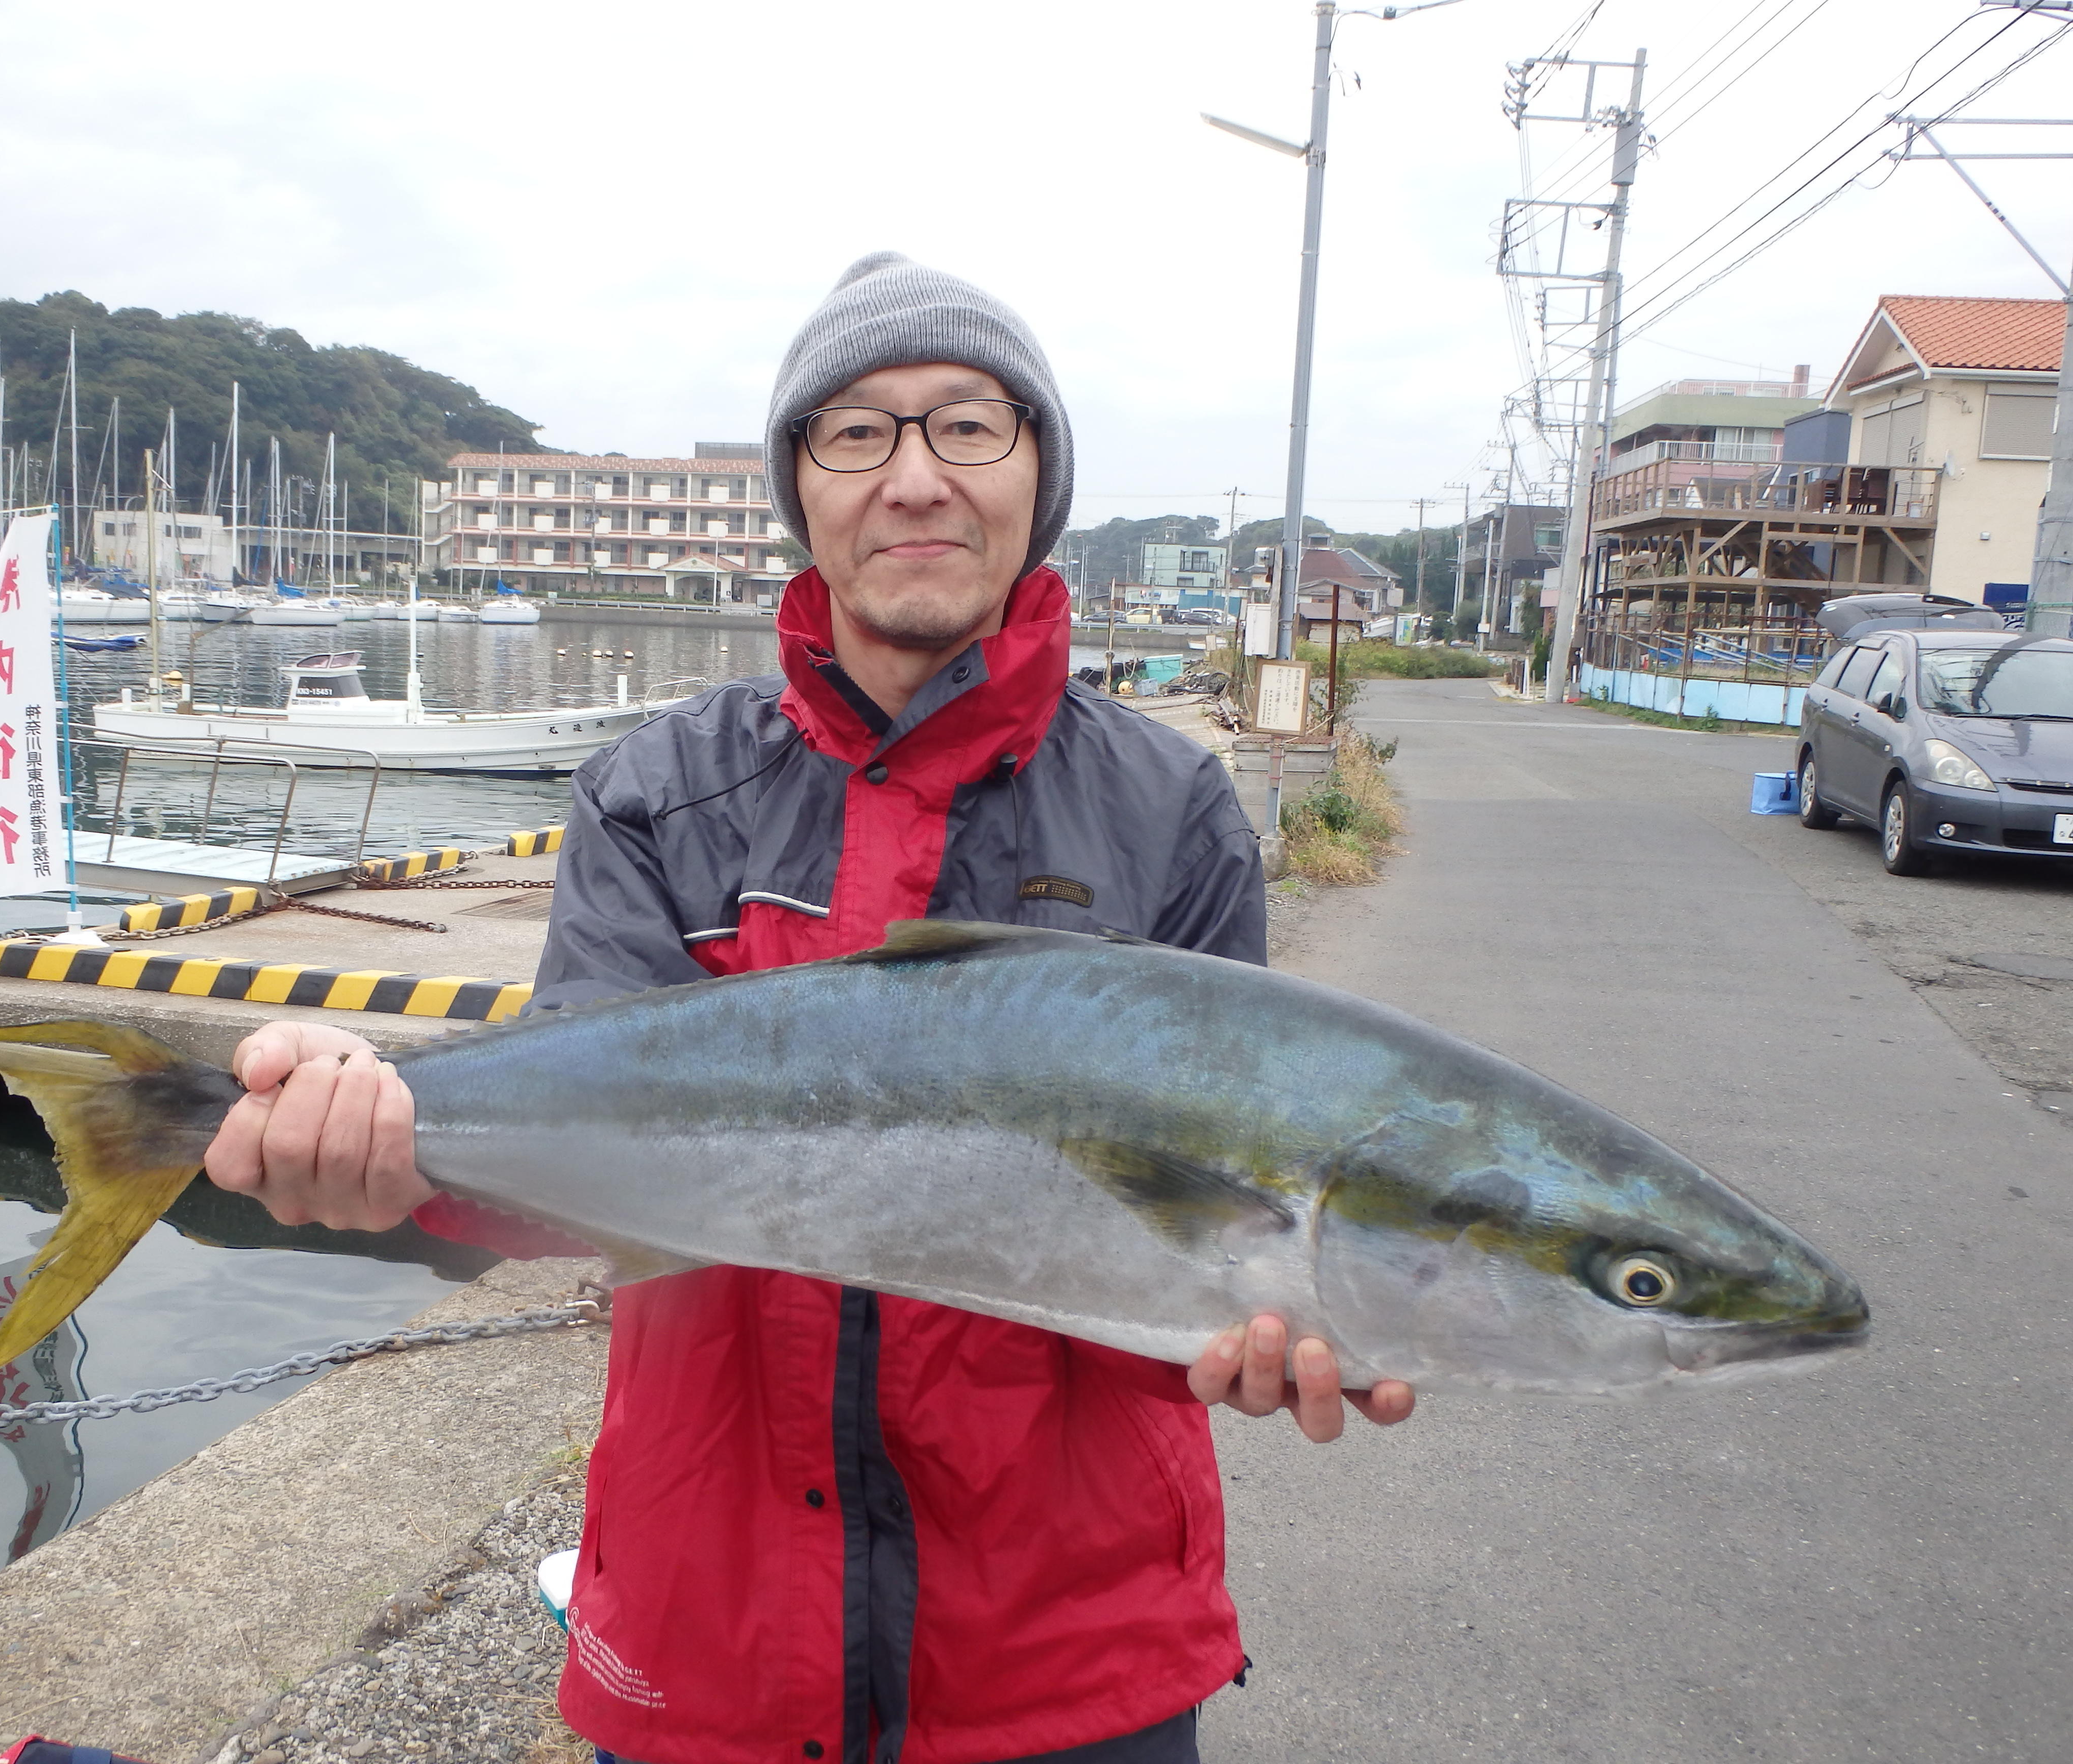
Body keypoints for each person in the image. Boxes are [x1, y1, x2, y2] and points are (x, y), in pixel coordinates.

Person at [204, 253, 1414, 1764]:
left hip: (1069, 1656)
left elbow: (1188, 1219)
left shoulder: (1172, 812)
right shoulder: (655, 791)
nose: (914, 478)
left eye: (969, 426)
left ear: (1042, 473)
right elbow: (587, 1180)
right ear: (803, 490)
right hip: (710, 1632)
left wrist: (1244, 1323)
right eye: (855, 433)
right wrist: (397, 1153)